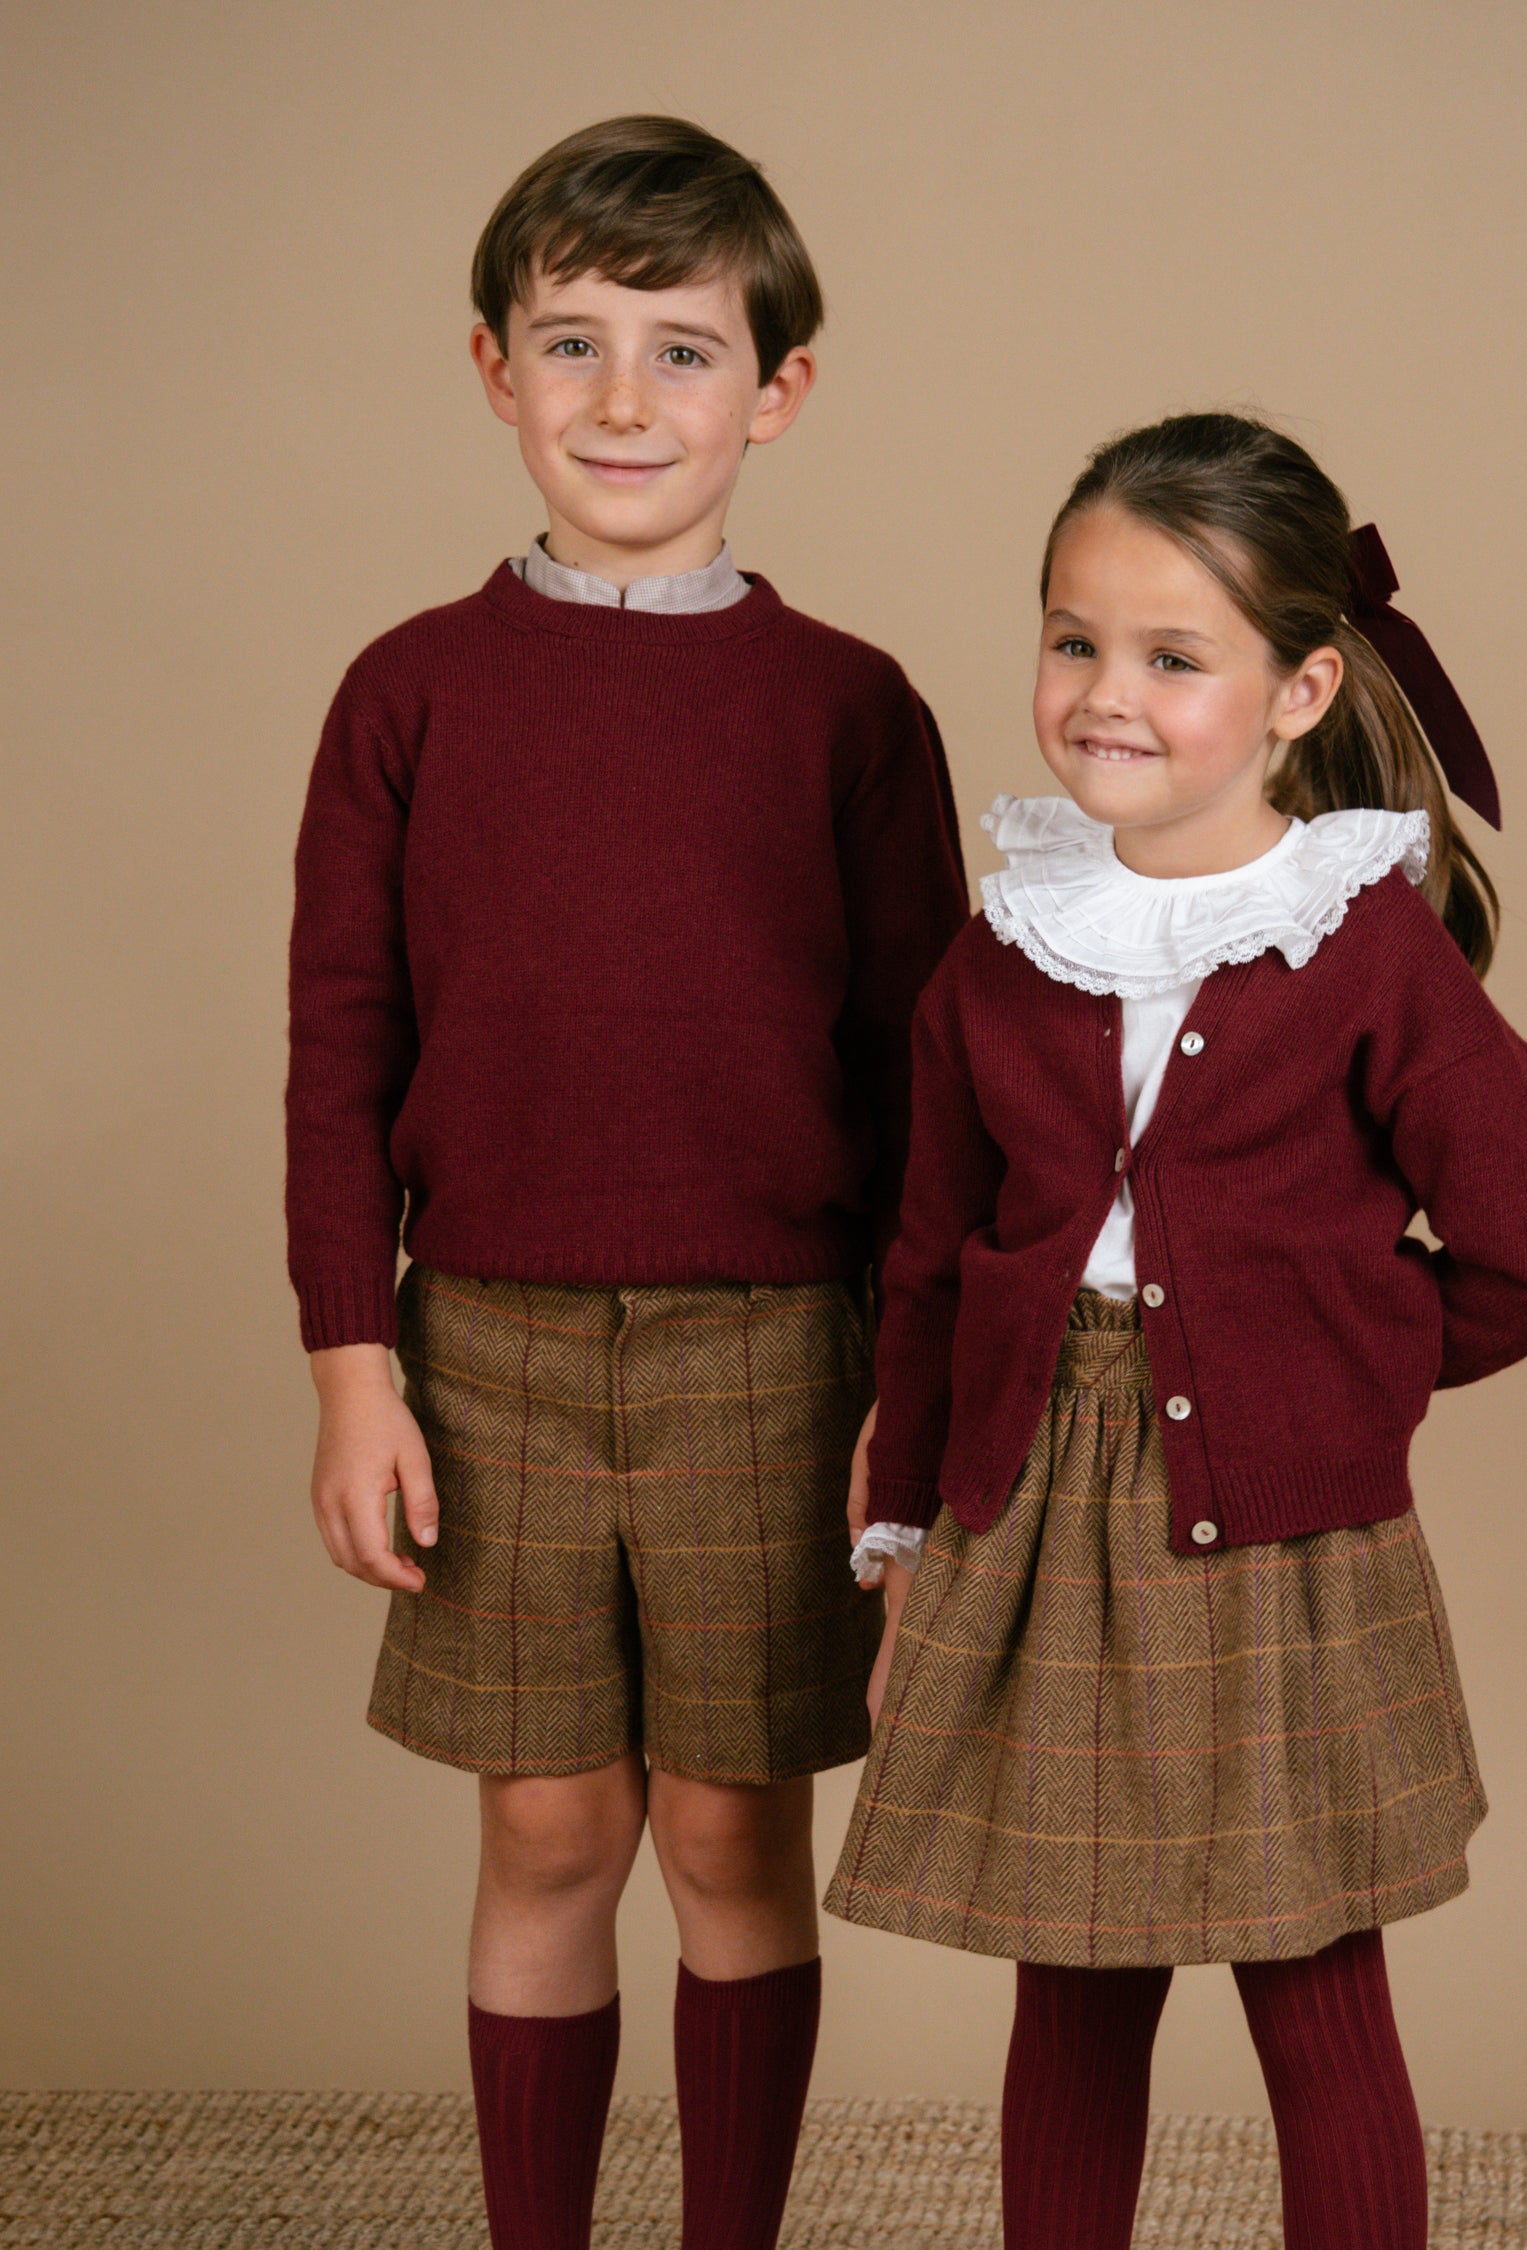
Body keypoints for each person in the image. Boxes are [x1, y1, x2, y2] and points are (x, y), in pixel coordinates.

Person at [287, 115, 967, 2250]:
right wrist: (350, 1366)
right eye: (569, 344)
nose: (618, 401)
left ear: (778, 391)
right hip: (477, 1348)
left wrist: (907, 1387)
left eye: (680, 353)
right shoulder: (405, 694)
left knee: (731, 1845)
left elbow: (924, 1088)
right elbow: (338, 1046)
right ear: (489, 366)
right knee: (551, 1835)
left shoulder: (851, 711)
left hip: (778, 1356)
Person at [827, 412, 1527, 2249]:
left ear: (1295, 688)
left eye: (1173, 656)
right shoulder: (1002, 943)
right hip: (1035, 1527)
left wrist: (1331, 1369)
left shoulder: (1357, 939)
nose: (1106, 692)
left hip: (1278, 1539)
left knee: (1316, 1995)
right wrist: (909, 1534)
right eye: (1072, 639)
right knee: (1070, 1996)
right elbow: (932, 1261)